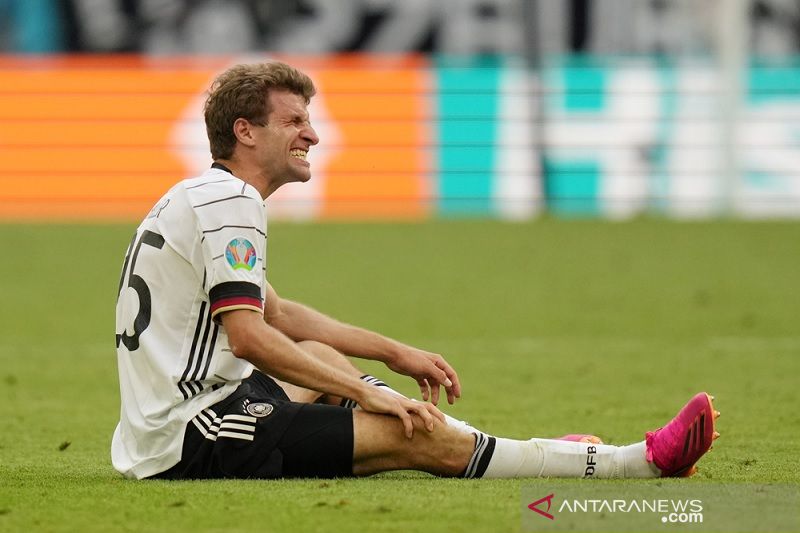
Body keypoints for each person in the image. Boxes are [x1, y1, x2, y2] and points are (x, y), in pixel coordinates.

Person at [112, 61, 719, 481]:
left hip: (183, 415)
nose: (313, 134)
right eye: (294, 121)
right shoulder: (232, 203)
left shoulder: (201, 196)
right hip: (195, 436)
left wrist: (392, 354)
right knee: (415, 438)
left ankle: (494, 446)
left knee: (327, 358)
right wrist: (368, 396)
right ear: (246, 132)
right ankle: (631, 463)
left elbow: (280, 314)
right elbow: (249, 337)